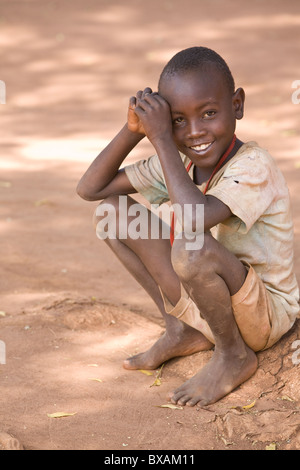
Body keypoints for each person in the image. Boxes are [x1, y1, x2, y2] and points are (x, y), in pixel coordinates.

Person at [77, 46, 299, 407]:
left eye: (209, 113)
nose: (195, 132)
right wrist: (134, 129)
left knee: (191, 245)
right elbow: (91, 189)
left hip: (266, 316)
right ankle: (182, 328)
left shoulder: (255, 166)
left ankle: (233, 356)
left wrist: (163, 138)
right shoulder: (181, 161)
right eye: (178, 120)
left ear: (237, 105)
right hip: (213, 300)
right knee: (113, 213)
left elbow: (194, 220)